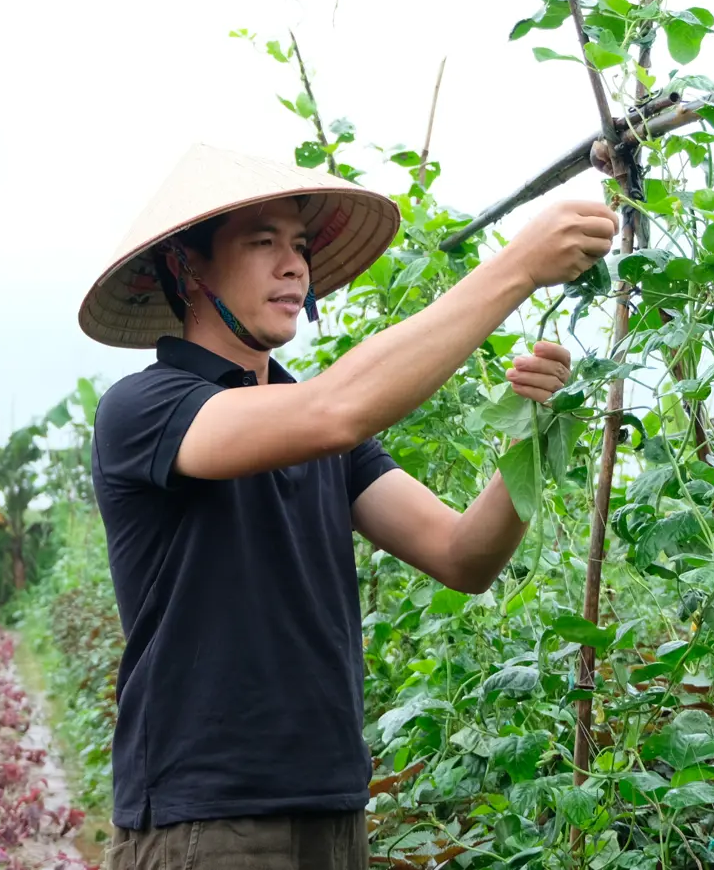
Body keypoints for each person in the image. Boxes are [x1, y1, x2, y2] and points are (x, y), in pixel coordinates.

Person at [76, 142, 617, 870]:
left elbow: (463, 556)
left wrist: (531, 432)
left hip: (331, 806)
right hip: (207, 819)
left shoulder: (324, 435)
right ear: (188, 265)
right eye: (261, 242)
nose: (293, 264)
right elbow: (335, 409)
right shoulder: (148, 409)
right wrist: (515, 267)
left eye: (298, 244)